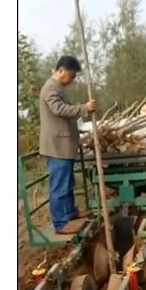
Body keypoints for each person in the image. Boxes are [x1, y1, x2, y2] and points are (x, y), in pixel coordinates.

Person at [39, 56, 98, 234]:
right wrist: (84, 108)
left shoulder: (58, 88)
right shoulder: (51, 88)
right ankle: (60, 223)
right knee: (59, 186)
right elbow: (60, 110)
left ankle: (71, 211)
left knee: (67, 183)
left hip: (64, 145)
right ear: (61, 70)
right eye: (71, 76)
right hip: (57, 147)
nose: (72, 80)